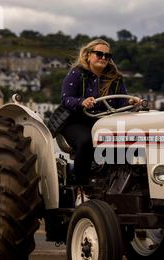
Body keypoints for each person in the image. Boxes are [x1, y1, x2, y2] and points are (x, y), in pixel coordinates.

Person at [58, 38, 141, 206]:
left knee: (130, 140)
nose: (103, 58)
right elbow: (66, 99)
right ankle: (82, 189)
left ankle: (119, 184)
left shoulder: (115, 78)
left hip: (102, 122)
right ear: (88, 55)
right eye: (99, 54)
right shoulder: (77, 74)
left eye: (107, 55)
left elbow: (120, 103)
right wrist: (81, 102)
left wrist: (131, 103)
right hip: (75, 120)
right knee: (86, 141)